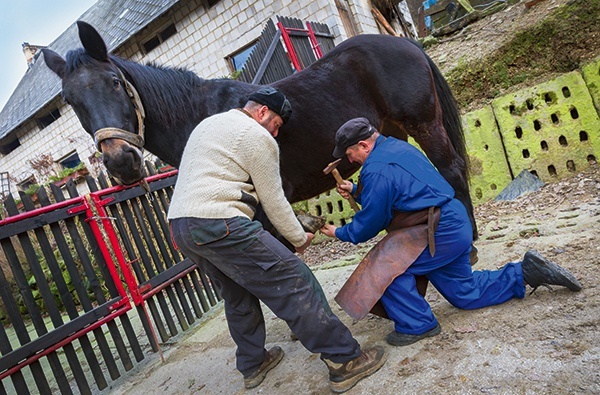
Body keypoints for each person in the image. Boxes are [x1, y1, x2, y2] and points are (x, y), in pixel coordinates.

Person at [167, 89, 386, 393]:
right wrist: (299, 239)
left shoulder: (209, 126)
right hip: (221, 221)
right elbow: (274, 200)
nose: (276, 131)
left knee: (237, 294)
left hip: (182, 226)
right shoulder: (256, 136)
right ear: (262, 112)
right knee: (295, 281)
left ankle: (253, 363)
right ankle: (344, 360)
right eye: (278, 124)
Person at [320, 117, 582, 347]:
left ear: (364, 145)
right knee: (464, 294)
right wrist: (357, 190)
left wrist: (339, 232)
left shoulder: (376, 170)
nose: (350, 160)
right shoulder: (397, 147)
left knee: (383, 272)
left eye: (350, 153)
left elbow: (371, 222)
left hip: (437, 231)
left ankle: (417, 324)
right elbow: (403, 189)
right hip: (452, 221)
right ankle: (524, 272)